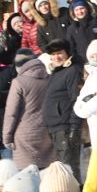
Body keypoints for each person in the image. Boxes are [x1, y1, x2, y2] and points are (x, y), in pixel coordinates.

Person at [0, 49, 52, 171]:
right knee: (47, 174)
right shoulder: (51, 79)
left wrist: (7, 137)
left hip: (24, 135)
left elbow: (11, 113)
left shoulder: (18, 82)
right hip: (48, 132)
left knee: (28, 178)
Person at [40, 38, 85, 169]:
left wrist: (74, 128)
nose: (56, 57)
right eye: (53, 55)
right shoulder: (56, 73)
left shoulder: (72, 71)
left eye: (59, 53)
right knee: (62, 167)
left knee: (68, 168)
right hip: (55, 127)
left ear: (67, 53)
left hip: (65, 127)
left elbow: (76, 99)